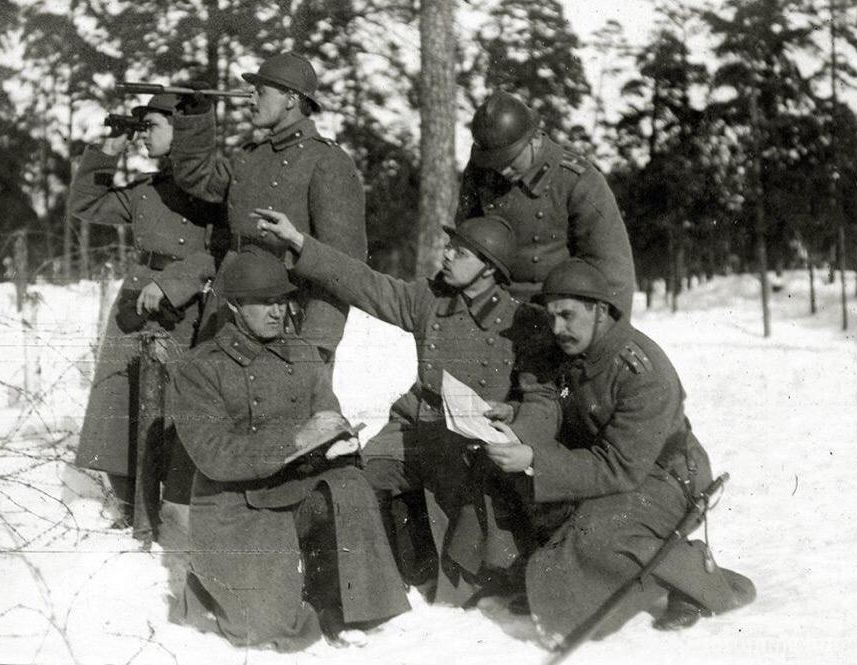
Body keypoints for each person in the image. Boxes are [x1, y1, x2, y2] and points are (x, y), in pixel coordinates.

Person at [253, 208, 559, 605]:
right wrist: (298, 241)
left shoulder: (523, 321)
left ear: (489, 270)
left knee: (474, 561)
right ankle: (365, 582)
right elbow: (365, 284)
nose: (446, 256)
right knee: (357, 481)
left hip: (474, 447)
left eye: (460, 253)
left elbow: (543, 399)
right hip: (415, 427)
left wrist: (513, 415)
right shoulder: (429, 301)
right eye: (449, 247)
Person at [485, 258, 755, 646]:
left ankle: (698, 574)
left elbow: (619, 467)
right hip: (615, 467)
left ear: (599, 310)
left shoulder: (644, 372)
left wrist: (535, 460)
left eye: (567, 315)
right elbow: (549, 398)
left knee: (594, 536)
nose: (557, 328)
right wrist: (517, 427)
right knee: (570, 525)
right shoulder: (570, 346)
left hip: (667, 476)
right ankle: (565, 582)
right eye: (551, 316)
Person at [169, 248, 409, 651]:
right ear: (233, 305)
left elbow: (326, 415)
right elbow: (214, 455)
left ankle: (345, 601)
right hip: (237, 505)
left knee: (350, 483)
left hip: (300, 490)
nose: (277, 312)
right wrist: (296, 441)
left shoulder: (302, 352)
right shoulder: (201, 367)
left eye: (281, 301)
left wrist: (339, 441)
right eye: (264, 302)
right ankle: (215, 588)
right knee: (271, 632)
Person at [72, 93, 220, 527]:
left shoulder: (212, 192)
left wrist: (174, 285)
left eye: (151, 127)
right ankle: (130, 509)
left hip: (185, 305)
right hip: (136, 297)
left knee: (178, 409)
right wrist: (108, 152)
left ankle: (172, 515)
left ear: (183, 131)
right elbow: (85, 204)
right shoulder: (145, 191)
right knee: (121, 402)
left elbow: (221, 250)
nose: (142, 138)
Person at [169, 52, 366, 358]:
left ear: (291, 99)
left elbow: (343, 267)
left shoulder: (327, 161)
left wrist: (317, 344)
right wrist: (196, 117)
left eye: (260, 92)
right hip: (228, 309)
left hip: (285, 320)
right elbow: (197, 179)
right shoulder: (249, 156)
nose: (251, 99)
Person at [456, 90, 636, 313]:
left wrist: (607, 336)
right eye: (494, 163)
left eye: (509, 161)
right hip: (490, 309)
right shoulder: (480, 174)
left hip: (555, 314)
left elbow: (611, 267)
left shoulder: (577, 180)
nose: (501, 170)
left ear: (533, 141)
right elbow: (463, 245)